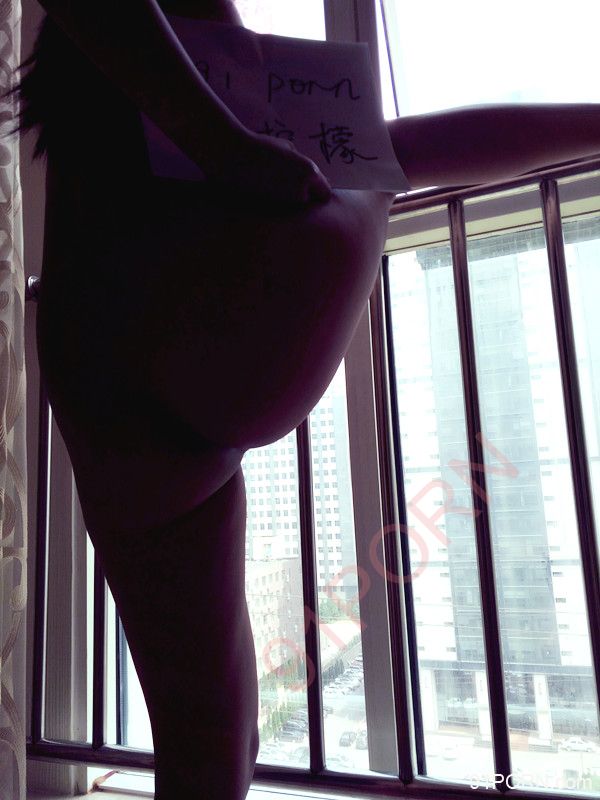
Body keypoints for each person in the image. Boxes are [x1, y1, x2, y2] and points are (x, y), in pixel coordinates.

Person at [16, 1, 600, 797]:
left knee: (207, 738)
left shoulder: (74, 73)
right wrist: (227, 148)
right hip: (233, 289)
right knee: (389, 153)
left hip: (95, 358)